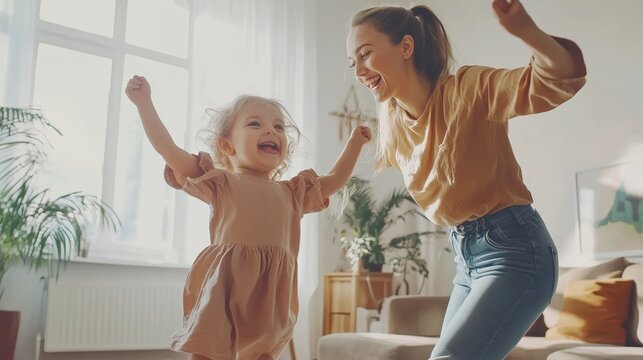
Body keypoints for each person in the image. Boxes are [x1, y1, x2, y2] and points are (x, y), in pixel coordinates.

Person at [346, 0, 586, 359]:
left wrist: (526, 31)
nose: (359, 70)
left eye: (365, 54)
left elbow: (559, 79)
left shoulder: (469, 89)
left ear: (406, 47)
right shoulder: (394, 120)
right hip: (465, 258)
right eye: (353, 62)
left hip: (516, 250)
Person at [125, 75, 372, 360]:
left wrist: (354, 143)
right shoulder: (221, 182)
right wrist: (144, 104)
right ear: (228, 146)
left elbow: (336, 179)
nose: (271, 131)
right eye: (256, 124)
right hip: (225, 290)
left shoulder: (292, 193)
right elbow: (168, 150)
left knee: (262, 353)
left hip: (269, 299)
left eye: (278, 127)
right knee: (210, 351)